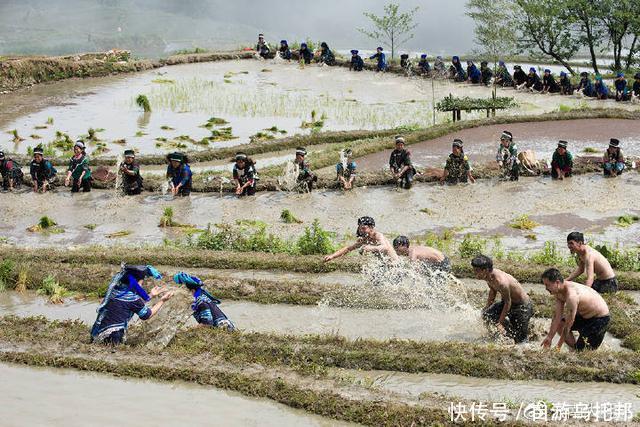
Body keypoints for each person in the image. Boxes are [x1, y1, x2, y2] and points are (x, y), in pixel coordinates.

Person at [90, 264, 173, 345]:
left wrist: (151, 295)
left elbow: (130, 305)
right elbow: (147, 315)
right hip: (113, 336)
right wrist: (162, 301)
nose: (141, 285)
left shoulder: (115, 290)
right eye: (141, 282)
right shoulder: (132, 298)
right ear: (136, 283)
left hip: (97, 332)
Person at [541, 268, 610, 351]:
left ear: (557, 282)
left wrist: (558, 346)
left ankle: (578, 348)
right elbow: (557, 317)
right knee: (560, 325)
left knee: (582, 353)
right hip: (585, 316)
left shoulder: (571, 296)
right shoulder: (558, 291)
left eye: (547, 285)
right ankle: (574, 347)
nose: (546, 288)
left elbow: (568, 324)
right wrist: (549, 337)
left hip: (599, 320)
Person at [472, 255, 533, 343]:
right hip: (508, 302)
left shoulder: (501, 282)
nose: (474, 273)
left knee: (521, 340)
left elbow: (508, 302)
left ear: (485, 270)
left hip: (522, 306)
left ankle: (509, 331)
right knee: (486, 314)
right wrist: (487, 306)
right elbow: (493, 291)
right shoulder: (488, 276)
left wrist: (500, 322)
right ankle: (498, 334)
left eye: (476, 271)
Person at [324, 216, 398, 262]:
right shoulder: (366, 239)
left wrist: (370, 248)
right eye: (360, 228)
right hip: (385, 265)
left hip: (395, 266)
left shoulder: (378, 235)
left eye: (363, 228)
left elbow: (385, 247)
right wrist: (332, 256)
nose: (361, 230)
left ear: (371, 227)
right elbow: (348, 249)